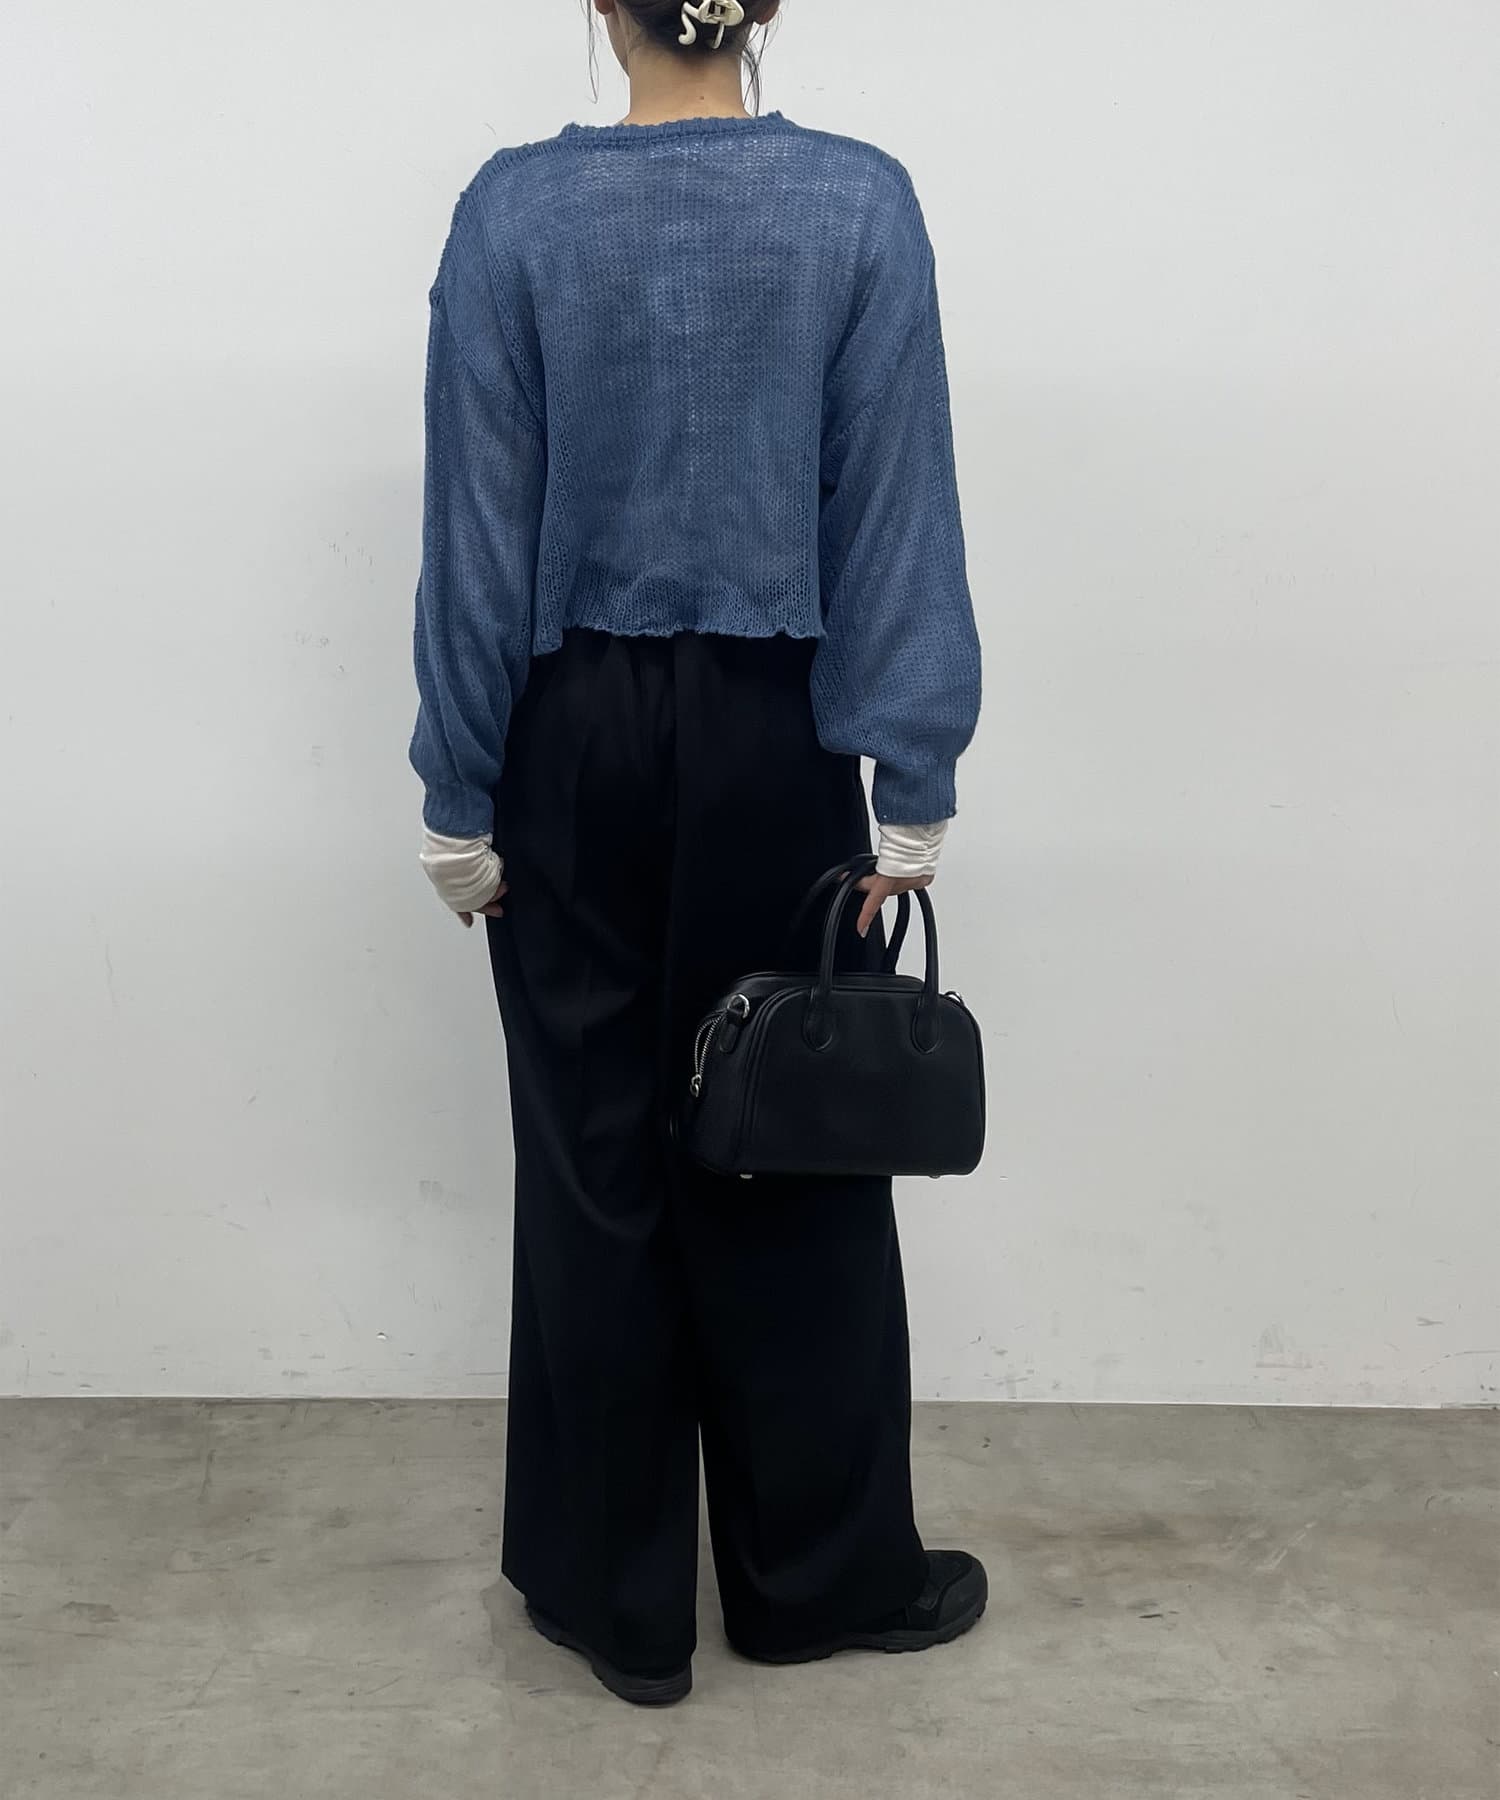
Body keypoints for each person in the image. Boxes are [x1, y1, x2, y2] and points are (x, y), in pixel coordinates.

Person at [409, 0, 984, 1706]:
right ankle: (818, 1584)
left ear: (604, 7)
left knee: (595, 1164)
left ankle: (618, 1606)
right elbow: (894, 506)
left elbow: (477, 529)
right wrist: (912, 781)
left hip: (567, 738)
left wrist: (458, 792)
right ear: (767, 7)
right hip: (777, 744)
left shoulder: (513, 212)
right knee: (790, 1158)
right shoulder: (859, 203)